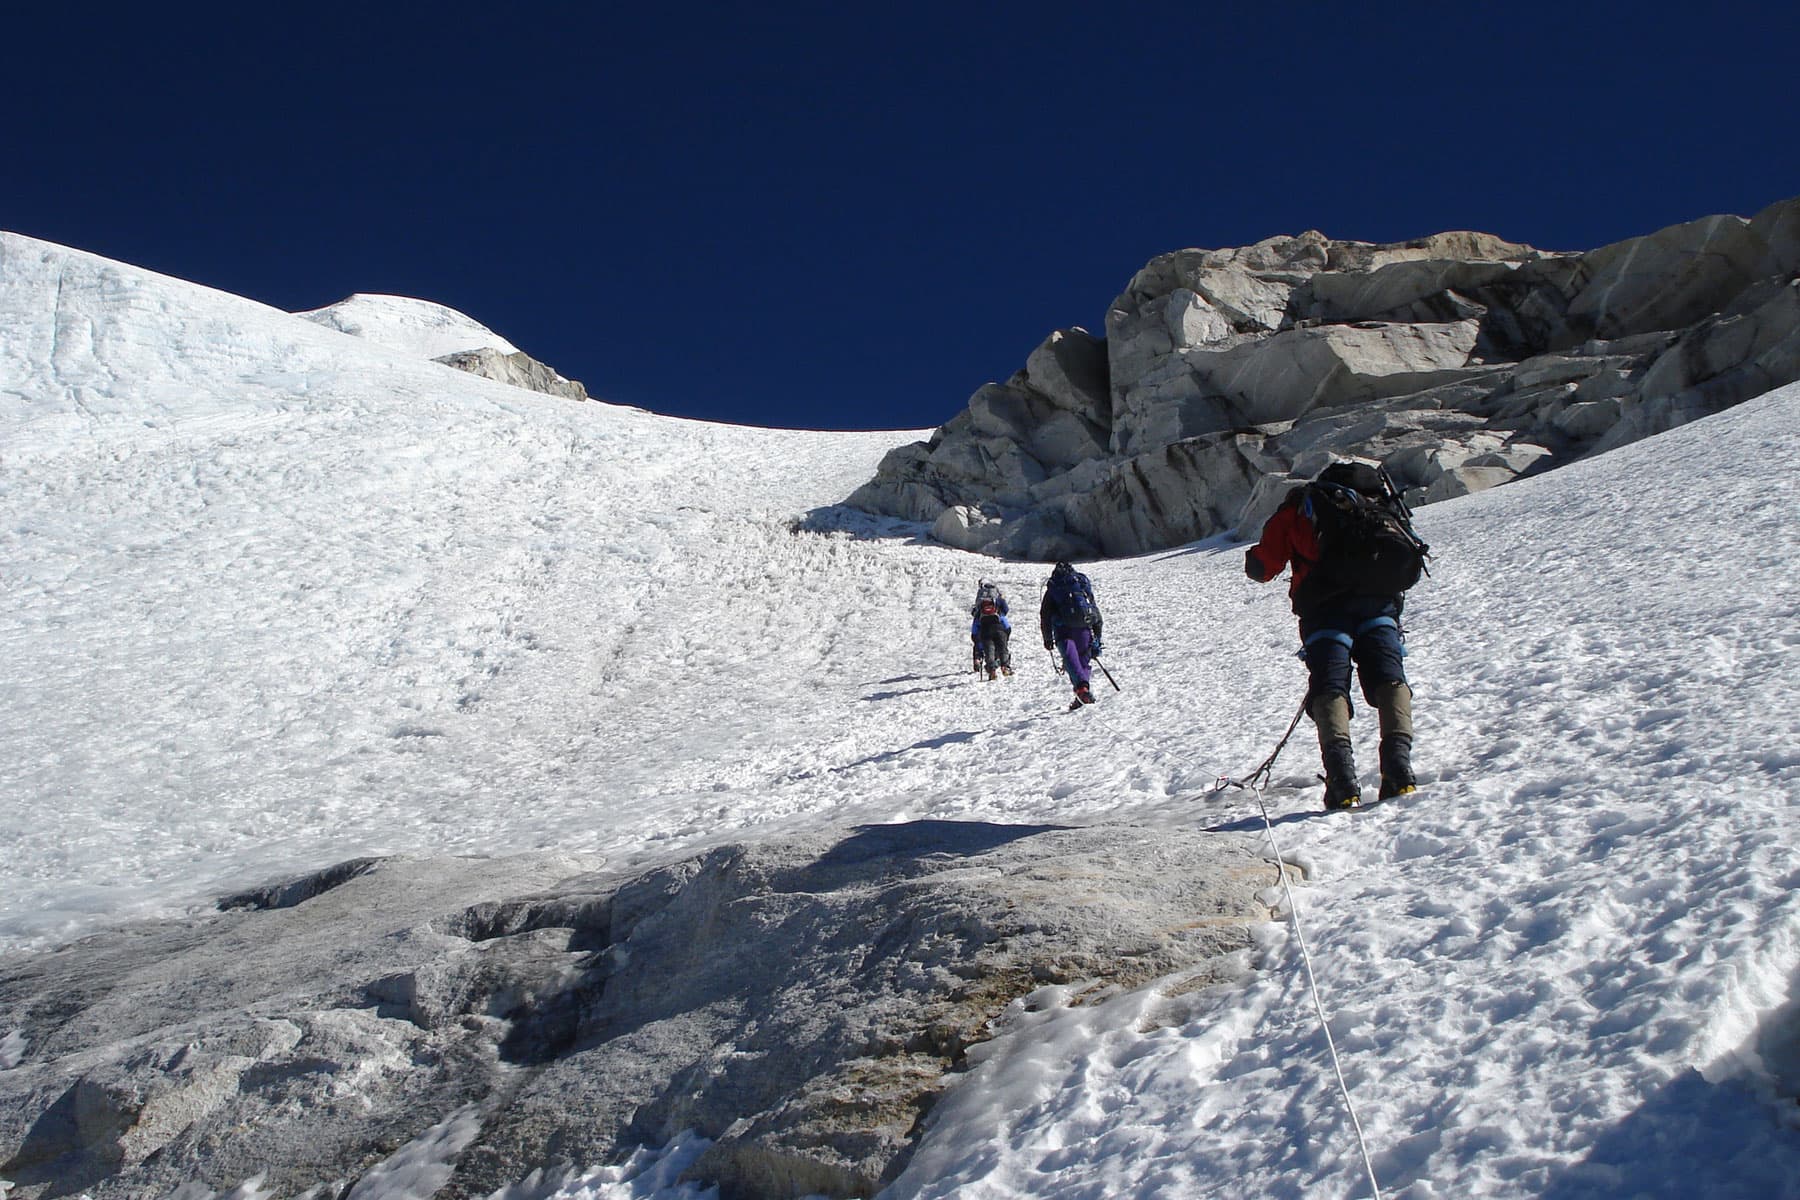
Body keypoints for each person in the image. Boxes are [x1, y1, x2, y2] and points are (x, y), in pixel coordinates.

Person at [1244, 460, 1422, 810]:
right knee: (1389, 677)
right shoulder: (1375, 503)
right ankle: (1399, 770)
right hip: (1379, 604)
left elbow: (1263, 567)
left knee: (1330, 685)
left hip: (1324, 609)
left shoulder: (1302, 507)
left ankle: (1342, 781)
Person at [1039, 561, 1103, 709]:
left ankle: (1081, 690)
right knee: (1083, 662)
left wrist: (1047, 638)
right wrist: (1098, 635)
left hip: (1063, 629)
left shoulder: (1054, 588)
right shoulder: (1081, 585)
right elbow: (1092, 607)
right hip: (1084, 627)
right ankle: (1083, 692)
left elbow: (1045, 615)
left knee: (1071, 660)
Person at [970, 579, 1014, 680]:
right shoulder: (998, 607)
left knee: (988, 650)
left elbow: (975, 630)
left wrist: (976, 640)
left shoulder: (980, 608)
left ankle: (991, 669)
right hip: (999, 629)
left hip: (985, 631)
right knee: (1003, 649)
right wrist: (1006, 635)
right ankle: (1005, 666)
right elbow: (1006, 624)